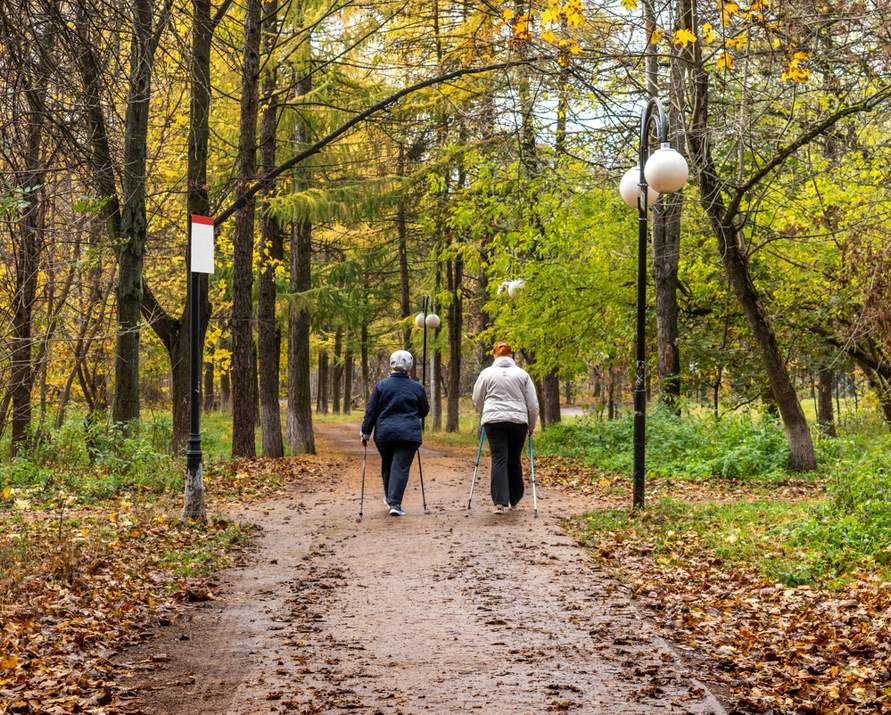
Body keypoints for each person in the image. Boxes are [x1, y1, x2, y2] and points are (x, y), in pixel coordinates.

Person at [472, 342, 540, 514]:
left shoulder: (486, 373)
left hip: (493, 422)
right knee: (514, 458)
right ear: (512, 355)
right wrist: (531, 425)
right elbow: (533, 405)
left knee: (499, 458)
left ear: (495, 355)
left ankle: (500, 503)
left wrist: (486, 409)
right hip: (518, 422)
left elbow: (477, 398)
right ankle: (514, 498)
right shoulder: (522, 374)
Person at [361, 350, 429, 516]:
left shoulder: (381, 386)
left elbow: (371, 411)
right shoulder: (417, 387)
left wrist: (365, 432)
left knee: (389, 463)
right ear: (409, 366)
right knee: (400, 466)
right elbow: (424, 410)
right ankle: (394, 503)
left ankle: (391, 498)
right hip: (409, 435)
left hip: (385, 434)